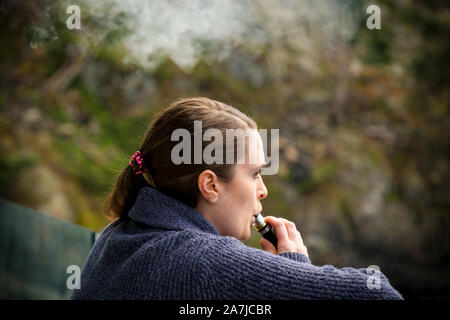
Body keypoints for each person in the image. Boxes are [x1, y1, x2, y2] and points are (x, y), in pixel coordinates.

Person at [71, 97, 403, 300]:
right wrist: (294, 269)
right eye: (255, 173)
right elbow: (374, 292)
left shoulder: (115, 237)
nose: (264, 190)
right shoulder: (205, 263)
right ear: (210, 185)